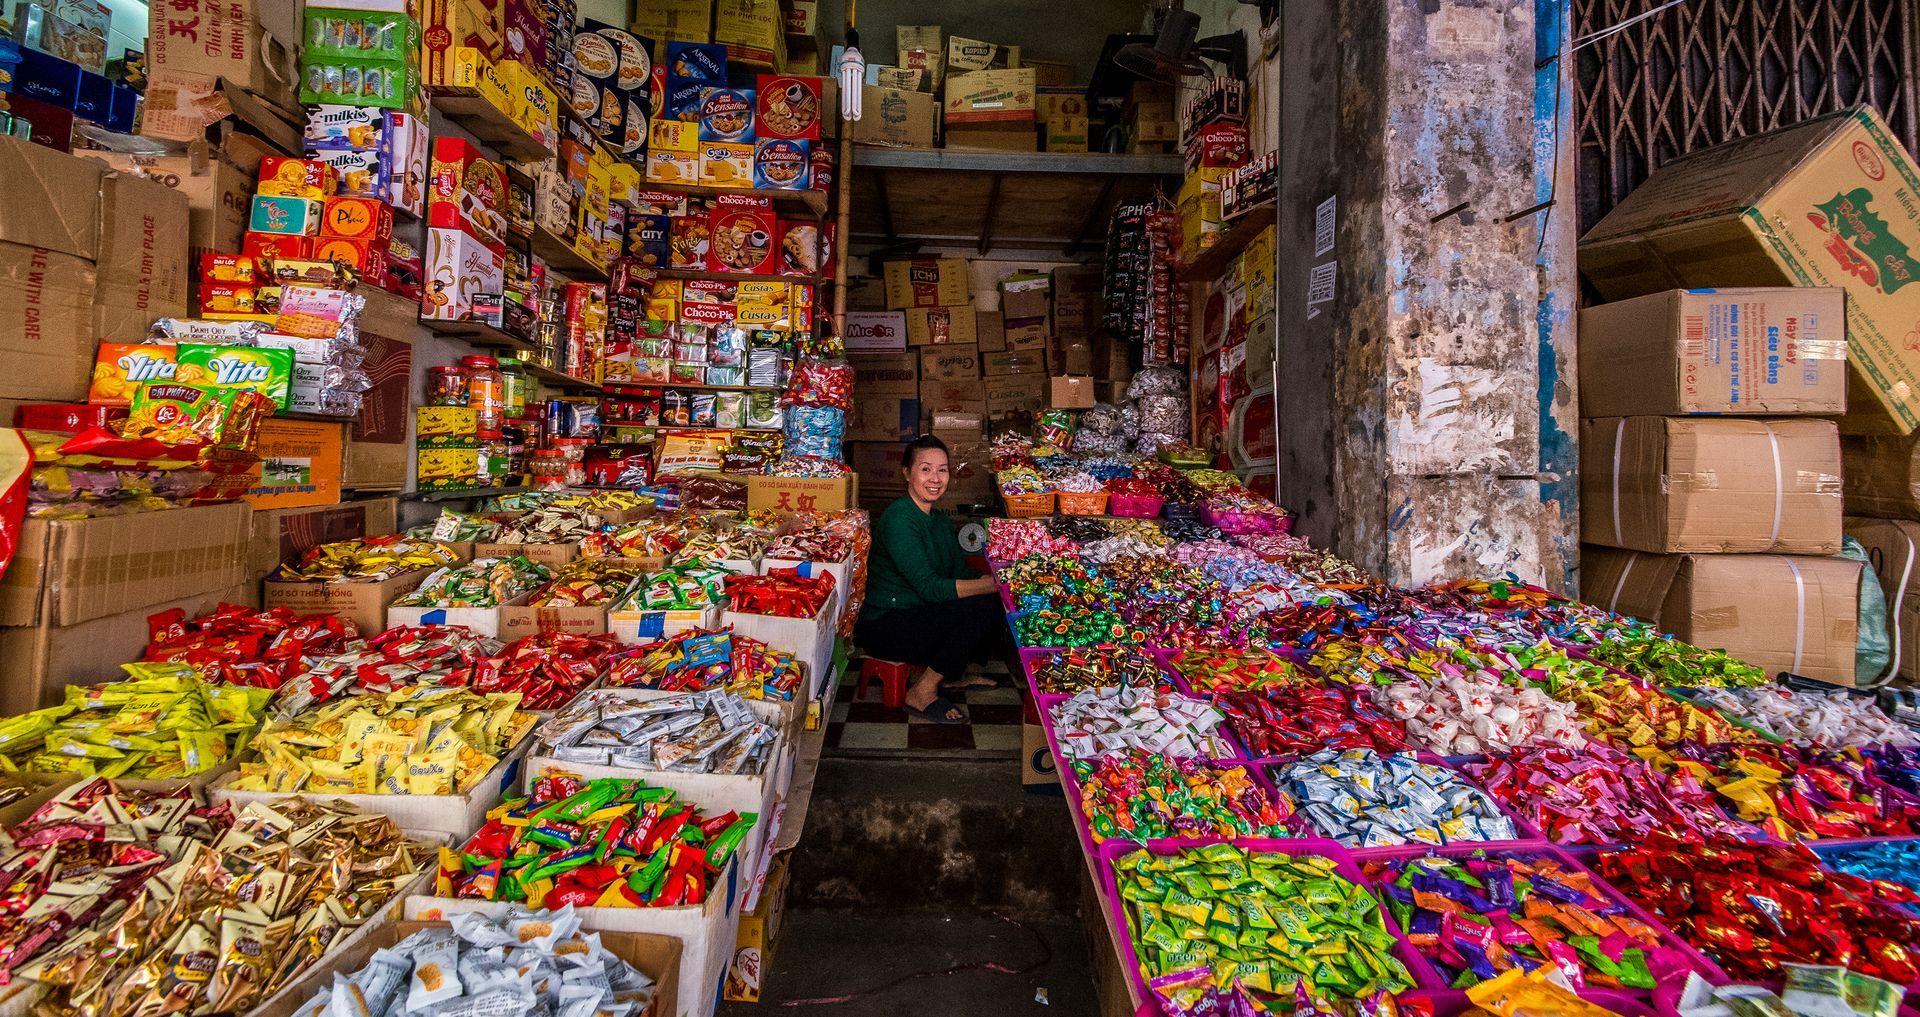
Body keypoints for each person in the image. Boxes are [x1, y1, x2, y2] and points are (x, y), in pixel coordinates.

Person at [853, 435, 1005, 723]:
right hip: (886, 623)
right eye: (925, 469)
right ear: (907, 473)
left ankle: (949, 672)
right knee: (981, 606)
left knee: (994, 601)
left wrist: (994, 580)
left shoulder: (938, 520)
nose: (935, 478)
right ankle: (922, 690)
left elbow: (959, 572)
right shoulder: (899, 519)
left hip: (917, 613)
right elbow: (929, 587)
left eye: (943, 470)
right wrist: (989, 586)